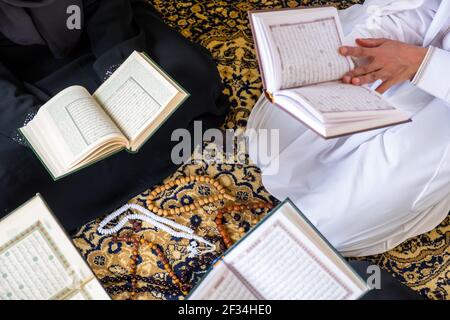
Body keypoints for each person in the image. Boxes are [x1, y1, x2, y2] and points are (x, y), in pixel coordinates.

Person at [0, 0, 229, 232]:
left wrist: (119, 70)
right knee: (10, 176)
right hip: (17, 78)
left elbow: (106, 7)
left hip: (100, 37)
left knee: (189, 75)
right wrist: (33, 122)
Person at [246, 0, 450, 257]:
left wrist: (421, 63)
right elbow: (429, 10)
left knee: (323, 226)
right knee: (270, 139)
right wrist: (362, 50)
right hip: (420, 50)